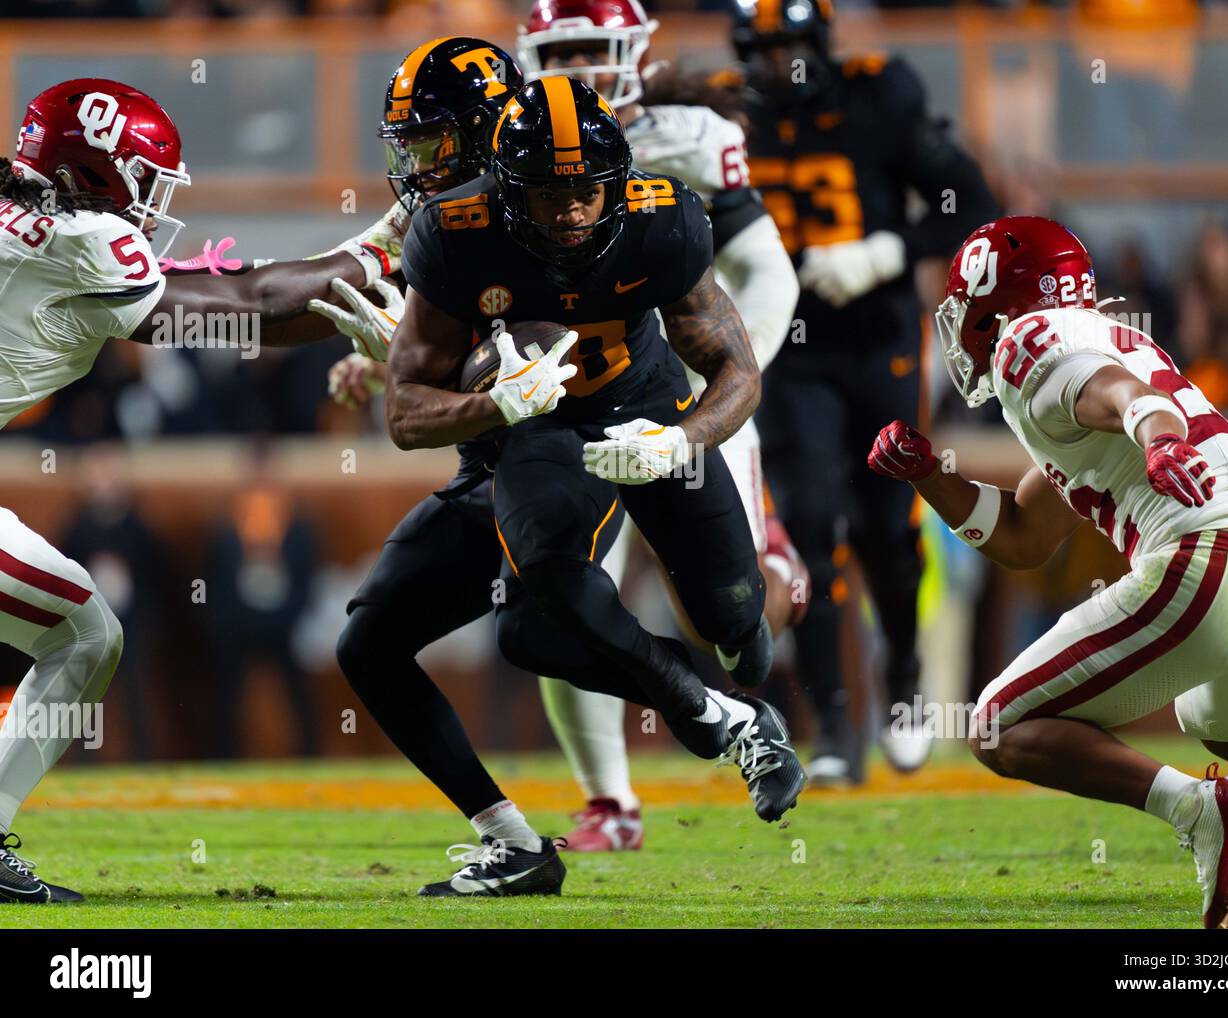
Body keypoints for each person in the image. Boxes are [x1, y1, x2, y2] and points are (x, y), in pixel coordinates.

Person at [379, 76, 806, 897]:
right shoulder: (455, 232)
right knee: (547, 585)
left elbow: (737, 373)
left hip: (651, 411)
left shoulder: (663, 217)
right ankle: (724, 721)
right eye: (548, 195)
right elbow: (403, 412)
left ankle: (741, 681)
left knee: (735, 617)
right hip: (543, 427)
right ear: (507, 192)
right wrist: (491, 404)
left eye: (587, 191)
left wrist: (678, 440)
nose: (573, 211)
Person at [0, 77, 406, 902]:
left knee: (84, 633)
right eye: (146, 179)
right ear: (99, 170)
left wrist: (350, 280)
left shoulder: (43, 226)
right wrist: (383, 249)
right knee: (83, 637)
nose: (153, 204)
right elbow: (245, 303)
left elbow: (226, 314)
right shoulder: (81, 240)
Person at [868, 215, 1228, 929]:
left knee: (999, 727)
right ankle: (1207, 799)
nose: (961, 329)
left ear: (996, 300)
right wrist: (930, 478)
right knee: (1224, 720)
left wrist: (1158, 440)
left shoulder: (1025, 344)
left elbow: (1127, 397)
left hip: (1211, 560)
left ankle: (1196, 808)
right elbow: (1027, 534)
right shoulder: (1088, 336)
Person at [514, 0, 804, 850]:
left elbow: (767, 272)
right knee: (570, 589)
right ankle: (610, 801)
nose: (572, 70)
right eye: (557, 52)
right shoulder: (511, 149)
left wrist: (719, 387)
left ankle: (755, 614)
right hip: (577, 402)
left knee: (738, 604)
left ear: (632, 53)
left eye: (589, 51)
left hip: (682, 402)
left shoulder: (689, 137)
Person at [729, 0, 1001, 781]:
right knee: (811, 525)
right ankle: (834, 729)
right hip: (786, 350)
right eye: (763, 50)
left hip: (878, 342)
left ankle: (906, 682)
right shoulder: (730, 121)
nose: (777, 66)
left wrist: (886, 252)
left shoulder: (877, 97)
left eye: (789, 48)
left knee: (887, 525)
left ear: (818, 45)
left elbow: (971, 206)